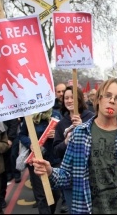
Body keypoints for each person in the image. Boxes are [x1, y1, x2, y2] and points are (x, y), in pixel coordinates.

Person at [32, 78, 117, 214]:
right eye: (107, 95)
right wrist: (50, 172)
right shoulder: (79, 134)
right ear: (98, 99)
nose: (112, 100)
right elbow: (67, 176)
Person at [52, 86, 94, 213]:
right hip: (70, 175)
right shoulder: (61, 124)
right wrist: (66, 141)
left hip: (91, 173)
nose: (69, 101)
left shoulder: (91, 117)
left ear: (80, 99)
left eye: (72, 98)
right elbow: (56, 151)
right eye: (66, 98)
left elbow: (98, 142)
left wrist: (82, 128)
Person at [18, 108, 61, 214]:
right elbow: (21, 135)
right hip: (36, 160)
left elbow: (64, 133)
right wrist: (30, 143)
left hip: (53, 160)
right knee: (41, 196)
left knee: (55, 193)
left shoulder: (56, 114)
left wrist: (56, 134)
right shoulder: (29, 116)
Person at [52, 82, 68, 213]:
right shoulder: (52, 109)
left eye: (65, 92)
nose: (62, 95)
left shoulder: (86, 116)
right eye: (59, 92)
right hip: (55, 156)